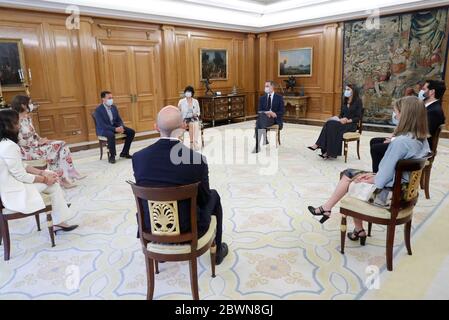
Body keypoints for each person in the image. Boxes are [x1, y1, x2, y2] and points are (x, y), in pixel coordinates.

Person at [307, 96, 430, 244]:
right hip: (405, 192)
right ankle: (341, 218)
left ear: (405, 115)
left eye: (396, 112)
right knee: (349, 173)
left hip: (390, 196)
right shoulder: (421, 140)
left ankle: (343, 219)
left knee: (351, 183)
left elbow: (382, 178)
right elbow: (393, 170)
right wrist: (374, 175)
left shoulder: (400, 143)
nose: (395, 115)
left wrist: (372, 177)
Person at [132, 106, 229, 265]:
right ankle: (217, 252)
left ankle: (160, 246)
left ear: (155, 127)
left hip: (151, 226)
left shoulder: (139, 158)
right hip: (188, 229)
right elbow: (204, 200)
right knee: (214, 196)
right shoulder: (197, 160)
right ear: (184, 126)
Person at [0, 109, 78, 233]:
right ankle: (60, 218)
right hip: (13, 192)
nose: (19, 125)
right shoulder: (9, 146)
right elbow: (21, 175)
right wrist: (45, 179)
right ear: (7, 125)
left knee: (51, 177)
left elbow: (22, 165)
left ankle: (59, 209)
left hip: (10, 186)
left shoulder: (4, 143)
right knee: (54, 184)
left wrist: (42, 173)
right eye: (16, 123)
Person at [10, 95, 85, 189]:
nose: (31, 105)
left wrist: (42, 140)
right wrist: (38, 143)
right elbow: (19, 142)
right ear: (23, 105)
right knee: (58, 148)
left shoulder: (27, 118)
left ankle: (65, 175)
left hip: (36, 146)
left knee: (61, 146)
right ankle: (65, 176)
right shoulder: (15, 121)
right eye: (30, 103)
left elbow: (34, 134)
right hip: (27, 151)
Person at [370, 79, 445, 173]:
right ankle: (384, 170)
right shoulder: (427, 105)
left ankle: (379, 175)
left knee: (376, 148)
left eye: (424, 88)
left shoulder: (434, 111)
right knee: (374, 141)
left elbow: (420, 133)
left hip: (416, 146)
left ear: (432, 91)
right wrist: (394, 137)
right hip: (410, 139)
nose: (422, 91)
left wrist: (394, 140)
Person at [308, 84, 363, 159]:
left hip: (351, 125)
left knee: (331, 125)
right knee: (329, 123)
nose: (346, 91)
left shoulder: (358, 101)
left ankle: (319, 145)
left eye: (348, 89)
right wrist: (338, 118)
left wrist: (347, 120)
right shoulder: (345, 101)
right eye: (346, 89)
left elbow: (358, 117)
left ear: (353, 91)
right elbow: (341, 114)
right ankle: (327, 152)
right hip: (342, 122)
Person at [94, 91, 135, 164]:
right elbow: (102, 125)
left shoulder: (114, 107)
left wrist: (121, 127)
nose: (111, 99)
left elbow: (119, 119)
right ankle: (112, 156)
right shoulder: (98, 110)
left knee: (131, 132)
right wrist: (115, 129)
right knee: (110, 135)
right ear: (103, 99)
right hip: (103, 129)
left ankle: (124, 152)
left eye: (112, 98)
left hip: (114, 126)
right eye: (109, 98)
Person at [253, 81, 284, 153]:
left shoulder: (279, 97)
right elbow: (259, 110)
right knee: (261, 120)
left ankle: (261, 141)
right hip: (264, 118)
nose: (265, 88)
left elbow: (282, 111)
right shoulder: (262, 98)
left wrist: (274, 113)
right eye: (265, 86)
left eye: (267, 86)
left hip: (274, 119)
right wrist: (267, 112)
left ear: (272, 87)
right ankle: (257, 145)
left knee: (258, 124)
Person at [178, 85, 201, 150]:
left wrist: (196, 114)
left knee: (194, 124)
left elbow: (198, 112)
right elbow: (178, 112)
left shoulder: (195, 101)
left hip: (193, 117)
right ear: (185, 93)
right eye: (187, 91)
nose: (188, 93)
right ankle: (180, 143)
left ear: (192, 93)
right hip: (184, 118)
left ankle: (194, 143)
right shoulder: (181, 101)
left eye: (189, 92)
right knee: (184, 126)